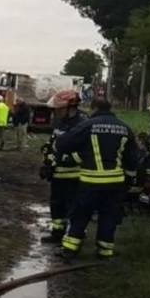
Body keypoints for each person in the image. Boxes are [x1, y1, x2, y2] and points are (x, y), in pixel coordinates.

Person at [56, 98, 138, 259]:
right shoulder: (124, 128)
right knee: (108, 217)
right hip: (115, 183)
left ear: (94, 108)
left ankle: (70, 249)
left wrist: (77, 152)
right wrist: (129, 181)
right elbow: (132, 159)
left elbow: (64, 144)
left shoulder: (88, 125)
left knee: (80, 214)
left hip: (90, 181)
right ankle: (104, 251)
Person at [38, 89, 86, 244]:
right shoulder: (60, 123)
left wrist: (61, 160)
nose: (56, 112)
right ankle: (57, 233)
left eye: (59, 109)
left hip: (74, 177)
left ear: (71, 107)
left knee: (73, 209)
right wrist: (47, 162)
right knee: (56, 206)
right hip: (57, 175)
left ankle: (72, 237)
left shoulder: (82, 125)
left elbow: (84, 153)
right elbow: (53, 143)